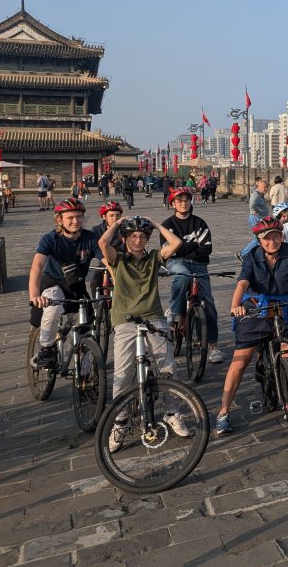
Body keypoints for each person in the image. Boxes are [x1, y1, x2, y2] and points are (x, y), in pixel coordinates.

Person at [215, 217, 288, 435]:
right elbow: (243, 282)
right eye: (267, 238)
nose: (272, 241)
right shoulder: (252, 256)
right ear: (259, 240)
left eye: (276, 236)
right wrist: (235, 305)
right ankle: (223, 411)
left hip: (283, 307)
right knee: (240, 361)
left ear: (282, 236)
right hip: (256, 308)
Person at [98, 215, 188, 451]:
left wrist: (156, 224)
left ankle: (172, 412)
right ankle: (120, 421)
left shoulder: (154, 258)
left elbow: (176, 243)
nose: (137, 240)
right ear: (125, 239)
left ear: (147, 240)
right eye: (133, 236)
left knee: (167, 366)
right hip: (124, 320)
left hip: (153, 317)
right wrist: (117, 224)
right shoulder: (118, 260)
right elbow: (103, 243)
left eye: (142, 237)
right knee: (122, 374)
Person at [28, 198, 104, 370]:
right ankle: (46, 349)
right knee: (53, 308)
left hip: (76, 285)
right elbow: (37, 266)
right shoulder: (50, 239)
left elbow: (107, 262)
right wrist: (34, 295)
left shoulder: (91, 238)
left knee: (87, 327)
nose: (75, 221)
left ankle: (86, 374)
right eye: (70, 217)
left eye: (79, 216)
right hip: (53, 283)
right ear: (59, 220)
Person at [162, 187, 225, 364]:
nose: (183, 203)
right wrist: (193, 246)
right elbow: (168, 251)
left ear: (191, 202)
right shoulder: (168, 225)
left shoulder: (199, 223)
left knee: (209, 304)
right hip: (177, 263)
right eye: (179, 201)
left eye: (186, 200)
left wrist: (182, 248)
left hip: (199, 265)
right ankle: (174, 310)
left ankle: (212, 346)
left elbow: (207, 248)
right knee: (182, 276)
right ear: (173, 203)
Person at [240, 178, 270, 258]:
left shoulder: (260, 195)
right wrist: (254, 210)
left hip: (259, 218)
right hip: (256, 218)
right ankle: (243, 254)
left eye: (267, 187)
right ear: (258, 186)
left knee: (259, 238)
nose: (266, 189)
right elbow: (252, 203)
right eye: (264, 187)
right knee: (258, 239)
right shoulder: (256, 194)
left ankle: (254, 255)